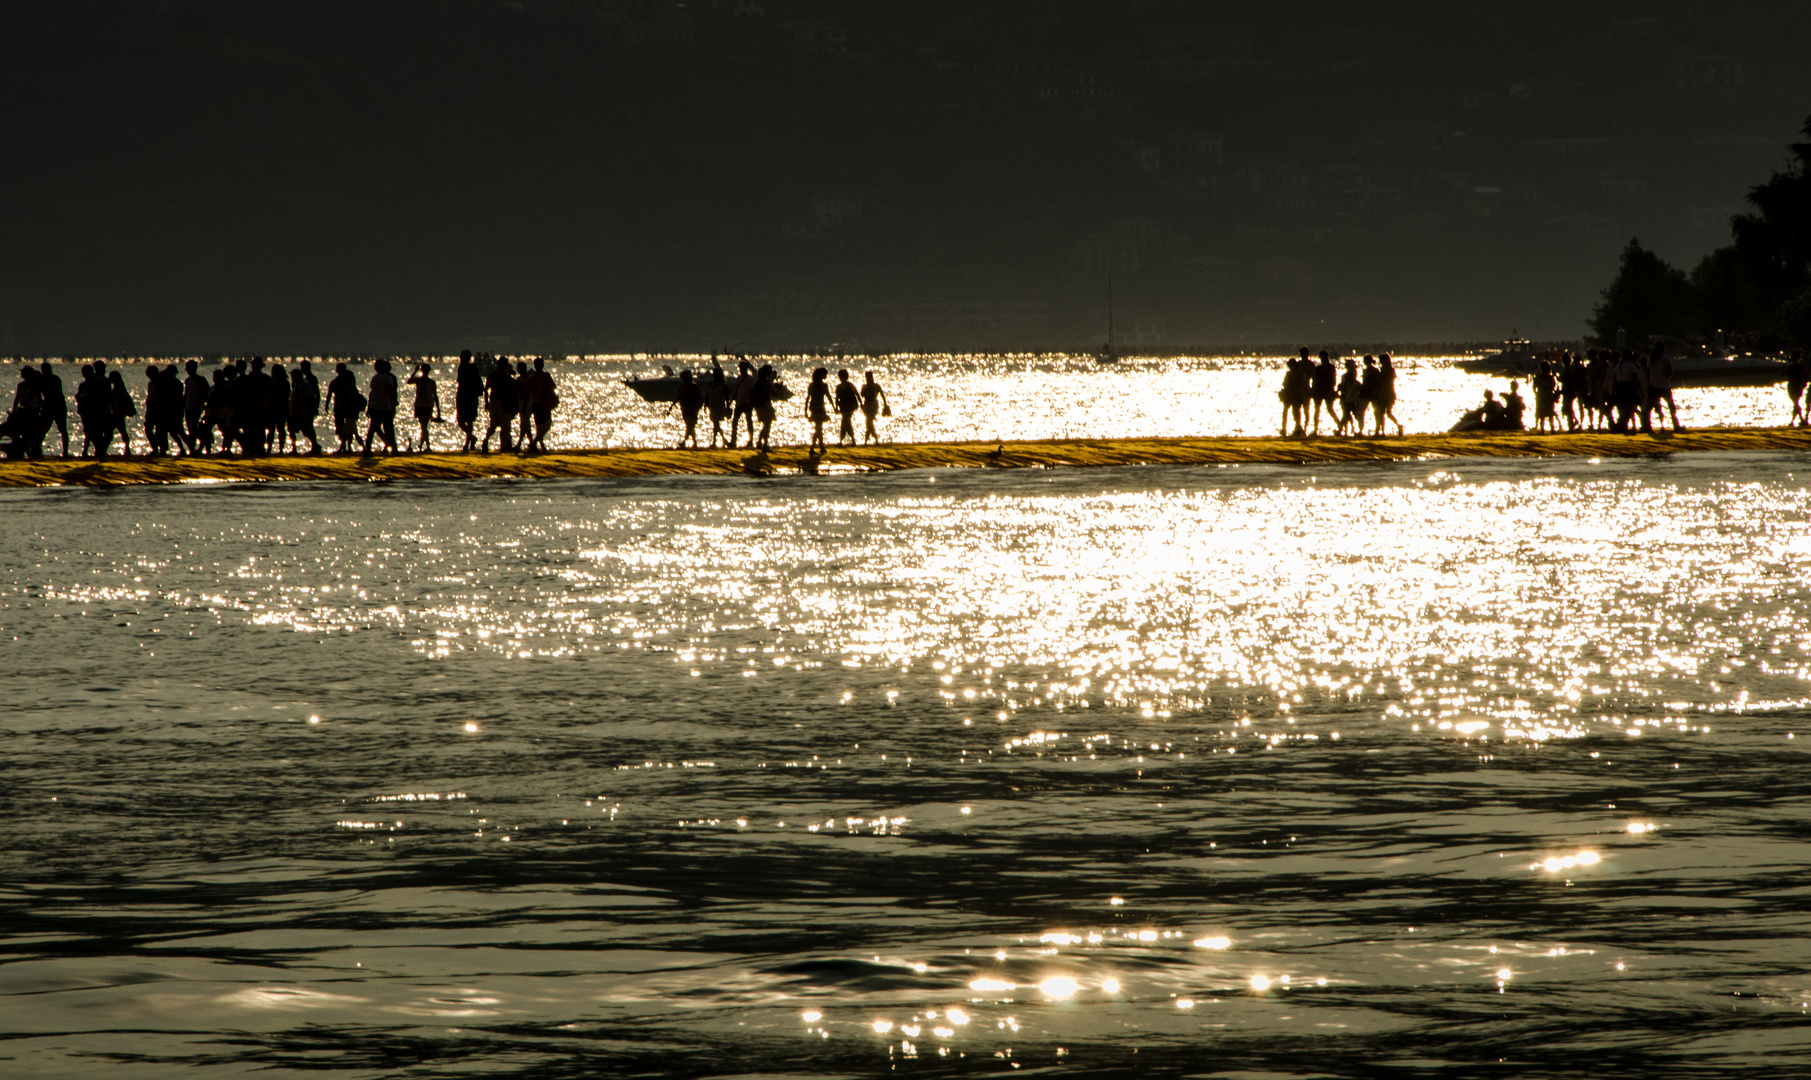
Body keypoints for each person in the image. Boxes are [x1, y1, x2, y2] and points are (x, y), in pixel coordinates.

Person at [362, 358, 399, 453]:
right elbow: (389, 390)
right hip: (385, 407)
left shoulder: (374, 378)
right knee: (389, 428)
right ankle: (393, 448)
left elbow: (372, 393)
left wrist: (369, 407)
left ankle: (368, 448)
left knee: (373, 429)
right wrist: (394, 400)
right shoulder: (388, 378)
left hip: (375, 406)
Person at [481, 356, 518, 452]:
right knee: (505, 427)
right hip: (503, 402)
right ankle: (502, 447)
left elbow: (486, 390)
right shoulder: (507, 377)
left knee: (493, 426)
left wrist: (486, 403)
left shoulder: (492, 376)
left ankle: (486, 440)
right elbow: (512, 392)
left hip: (493, 402)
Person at [325, 362, 363, 453]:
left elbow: (330, 394)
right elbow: (329, 394)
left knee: (347, 429)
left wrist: (327, 404)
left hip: (346, 408)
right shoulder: (337, 382)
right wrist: (327, 404)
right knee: (343, 428)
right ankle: (346, 447)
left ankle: (347, 447)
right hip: (341, 408)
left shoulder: (348, 384)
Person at [1609, 350, 1646, 434]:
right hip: (1628, 388)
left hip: (1619, 388)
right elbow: (1635, 379)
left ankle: (1621, 426)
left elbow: (1614, 381)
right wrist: (1641, 391)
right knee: (1628, 409)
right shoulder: (1630, 366)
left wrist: (1612, 392)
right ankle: (1622, 426)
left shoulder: (1618, 366)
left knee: (1622, 409)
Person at [408, 362, 442, 451]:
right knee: (423, 426)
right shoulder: (418, 380)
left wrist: (438, 409)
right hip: (419, 404)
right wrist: (415, 371)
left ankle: (427, 446)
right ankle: (422, 445)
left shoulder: (431, 382)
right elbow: (409, 381)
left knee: (423, 425)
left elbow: (435, 395)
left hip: (428, 405)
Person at [289, 360, 321, 454]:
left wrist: (312, 409)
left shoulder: (305, 384)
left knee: (306, 430)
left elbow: (311, 397)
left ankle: (315, 445)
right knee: (292, 429)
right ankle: (294, 449)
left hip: (302, 412)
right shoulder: (297, 385)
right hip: (294, 412)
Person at [525, 357, 557, 451]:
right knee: (547, 424)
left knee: (539, 426)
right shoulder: (545, 376)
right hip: (543, 403)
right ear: (542, 365)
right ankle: (535, 442)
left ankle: (541, 447)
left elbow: (527, 393)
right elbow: (553, 386)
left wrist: (524, 406)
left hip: (535, 404)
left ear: (535, 366)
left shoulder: (532, 378)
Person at [38, 361, 69, 456]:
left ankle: (38, 448)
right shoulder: (55, 379)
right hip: (57, 405)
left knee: (44, 429)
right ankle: (65, 451)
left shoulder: (45, 380)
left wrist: (42, 404)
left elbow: (42, 394)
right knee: (61, 430)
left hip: (52, 406)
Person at [1646, 343, 1679, 432]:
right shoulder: (1666, 359)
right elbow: (1669, 373)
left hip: (1653, 386)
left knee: (1649, 408)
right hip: (1664, 386)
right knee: (1671, 406)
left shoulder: (1651, 360)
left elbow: (1648, 374)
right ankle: (1675, 425)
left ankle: (1647, 426)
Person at [1279, 350, 1310, 436]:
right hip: (1291, 395)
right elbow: (1285, 384)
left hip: (1295, 395)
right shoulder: (1291, 374)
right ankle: (1287, 429)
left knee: (1294, 412)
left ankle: (1296, 428)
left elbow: (1298, 384)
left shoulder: (1297, 374)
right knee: (1290, 412)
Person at [455, 352, 482, 451]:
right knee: (460, 420)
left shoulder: (472, 368)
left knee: (469, 421)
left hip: (470, 396)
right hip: (462, 395)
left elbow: (476, 383)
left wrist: (474, 398)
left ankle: (468, 444)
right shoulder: (460, 368)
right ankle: (472, 438)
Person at [108, 368, 137, 456]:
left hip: (118, 413)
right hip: (119, 413)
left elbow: (118, 402)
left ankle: (102, 449)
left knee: (111, 432)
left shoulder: (118, 389)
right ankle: (127, 449)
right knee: (121, 431)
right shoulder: (120, 388)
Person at [728, 358, 755, 448]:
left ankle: (750, 441)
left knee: (749, 421)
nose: (740, 369)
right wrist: (731, 400)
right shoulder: (738, 378)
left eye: (741, 368)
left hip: (747, 403)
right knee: (734, 422)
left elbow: (751, 391)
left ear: (745, 369)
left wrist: (743, 399)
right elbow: (736, 390)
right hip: (738, 403)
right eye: (739, 368)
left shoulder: (750, 379)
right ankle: (733, 441)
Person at [803, 367, 831, 451]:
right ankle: (815, 447)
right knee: (819, 428)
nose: (826, 376)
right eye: (825, 374)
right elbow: (828, 396)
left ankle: (819, 446)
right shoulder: (823, 385)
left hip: (814, 407)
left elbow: (807, 398)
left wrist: (805, 410)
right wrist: (833, 407)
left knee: (818, 428)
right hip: (819, 407)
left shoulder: (812, 385)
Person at [751, 363, 777, 450]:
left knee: (765, 424)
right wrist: (778, 388)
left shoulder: (758, 382)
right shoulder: (766, 382)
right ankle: (765, 444)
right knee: (767, 425)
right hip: (765, 404)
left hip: (758, 406)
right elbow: (773, 392)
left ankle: (759, 442)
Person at [1311, 351, 1338, 434]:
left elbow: (1333, 380)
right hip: (1319, 390)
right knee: (1317, 409)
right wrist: (1313, 390)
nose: (1323, 359)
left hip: (1328, 390)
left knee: (1329, 409)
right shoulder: (1317, 369)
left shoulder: (1331, 368)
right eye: (1322, 358)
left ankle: (1339, 424)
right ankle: (1315, 429)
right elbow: (1314, 381)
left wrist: (1331, 391)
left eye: (1324, 358)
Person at [1335, 357, 1364, 434]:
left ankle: (1345, 429)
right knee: (1348, 415)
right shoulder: (1351, 377)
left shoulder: (1349, 377)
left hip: (1349, 398)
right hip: (1348, 398)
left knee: (1348, 415)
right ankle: (1347, 429)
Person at [676, 368, 703, 448]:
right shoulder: (682, 387)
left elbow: (700, 398)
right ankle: (693, 443)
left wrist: (696, 408)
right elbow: (677, 397)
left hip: (692, 409)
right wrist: (671, 407)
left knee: (690, 425)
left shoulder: (694, 387)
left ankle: (685, 442)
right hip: (685, 409)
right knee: (690, 425)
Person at [706, 360, 730, 447]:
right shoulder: (711, 383)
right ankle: (723, 440)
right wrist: (706, 405)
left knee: (716, 424)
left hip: (719, 406)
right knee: (716, 424)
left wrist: (728, 407)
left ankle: (716, 441)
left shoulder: (724, 385)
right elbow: (708, 395)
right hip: (712, 406)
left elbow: (727, 398)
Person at [859, 370, 888, 444]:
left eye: (869, 377)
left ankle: (867, 440)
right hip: (866, 406)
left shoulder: (876, 386)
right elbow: (862, 395)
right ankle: (874, 440)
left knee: (869, 422)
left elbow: (882, 394)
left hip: (873, 406)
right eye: (867, 377)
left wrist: (885, 404)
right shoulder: (864, 386)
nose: (868, 379)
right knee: (869, 423)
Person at [833, 369, 860, 446]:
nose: (842, 378)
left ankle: (842, 441)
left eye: (843, 376)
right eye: (840, 376)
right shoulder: (838, 387)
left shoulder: (850, 385)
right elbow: (837, 398)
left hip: (851, 406)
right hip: (843, 407)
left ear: (846, 376)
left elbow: (856, 394)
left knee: (845, 422)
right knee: (847, 423)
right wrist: (836, 407)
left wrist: (861, 404)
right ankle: (852, 441)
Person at [1532, 360, 1558, 433]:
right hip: (1544, 396)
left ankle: (1548, 428)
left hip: (1544, 396)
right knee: (1544, 414)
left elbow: (1534, 387)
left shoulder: (1546, 378)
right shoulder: (1544, 378)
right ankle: (1544, 429)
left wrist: (1537, 393)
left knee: (1547, 413)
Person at [1789, 349, 1809, 427]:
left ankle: (1795, 420)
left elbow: (1803, 377)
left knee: (1795, 403)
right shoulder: (1791, 367)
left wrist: (1802, 386)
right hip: (1791, 387)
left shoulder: (1800, 367)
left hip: (1797, 387)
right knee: (1795, 403)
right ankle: (1801, 420)